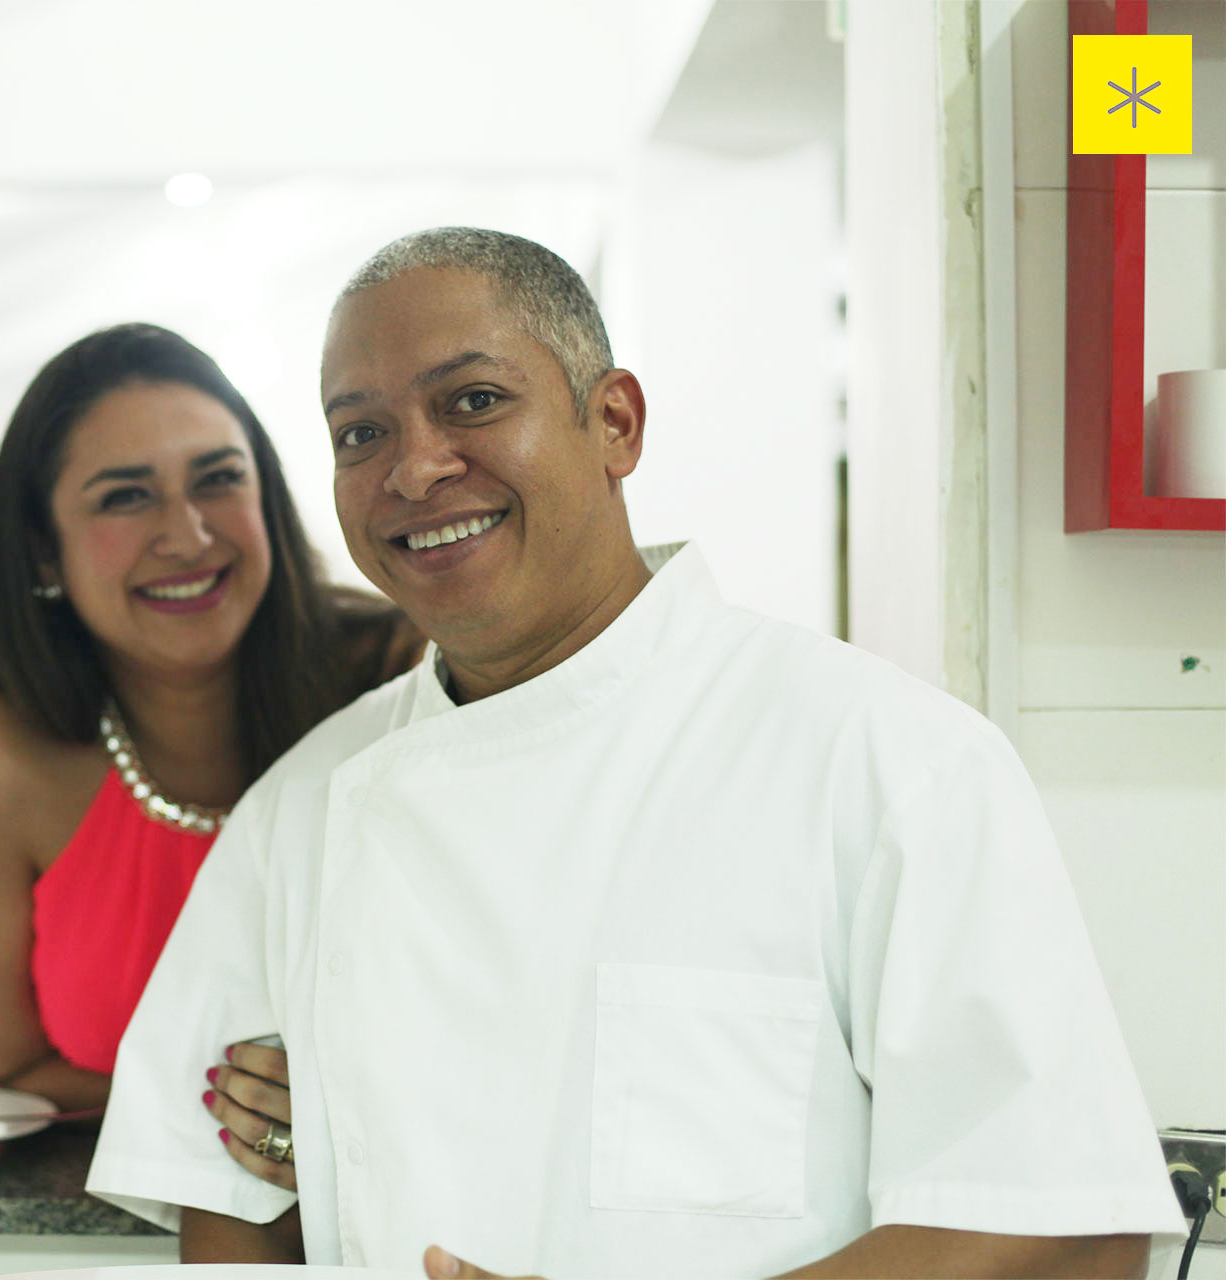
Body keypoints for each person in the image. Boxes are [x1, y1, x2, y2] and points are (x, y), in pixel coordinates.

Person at [86, 229, 1186, 1276]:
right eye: (359, 433)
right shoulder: (302, 808)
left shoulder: (887, 761)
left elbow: (1067, 1237)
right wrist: (313, 1144)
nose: (414, 469)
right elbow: (226, 1203)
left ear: (614, 422)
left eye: (474, 400)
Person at [0, 324, 420, 1126]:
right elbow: (15, 1068)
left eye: (218, 479)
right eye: (126, 496)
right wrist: (258, 1118)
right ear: (43, 551)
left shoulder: (400, 673)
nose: (188, 536)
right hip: (93, 1202)